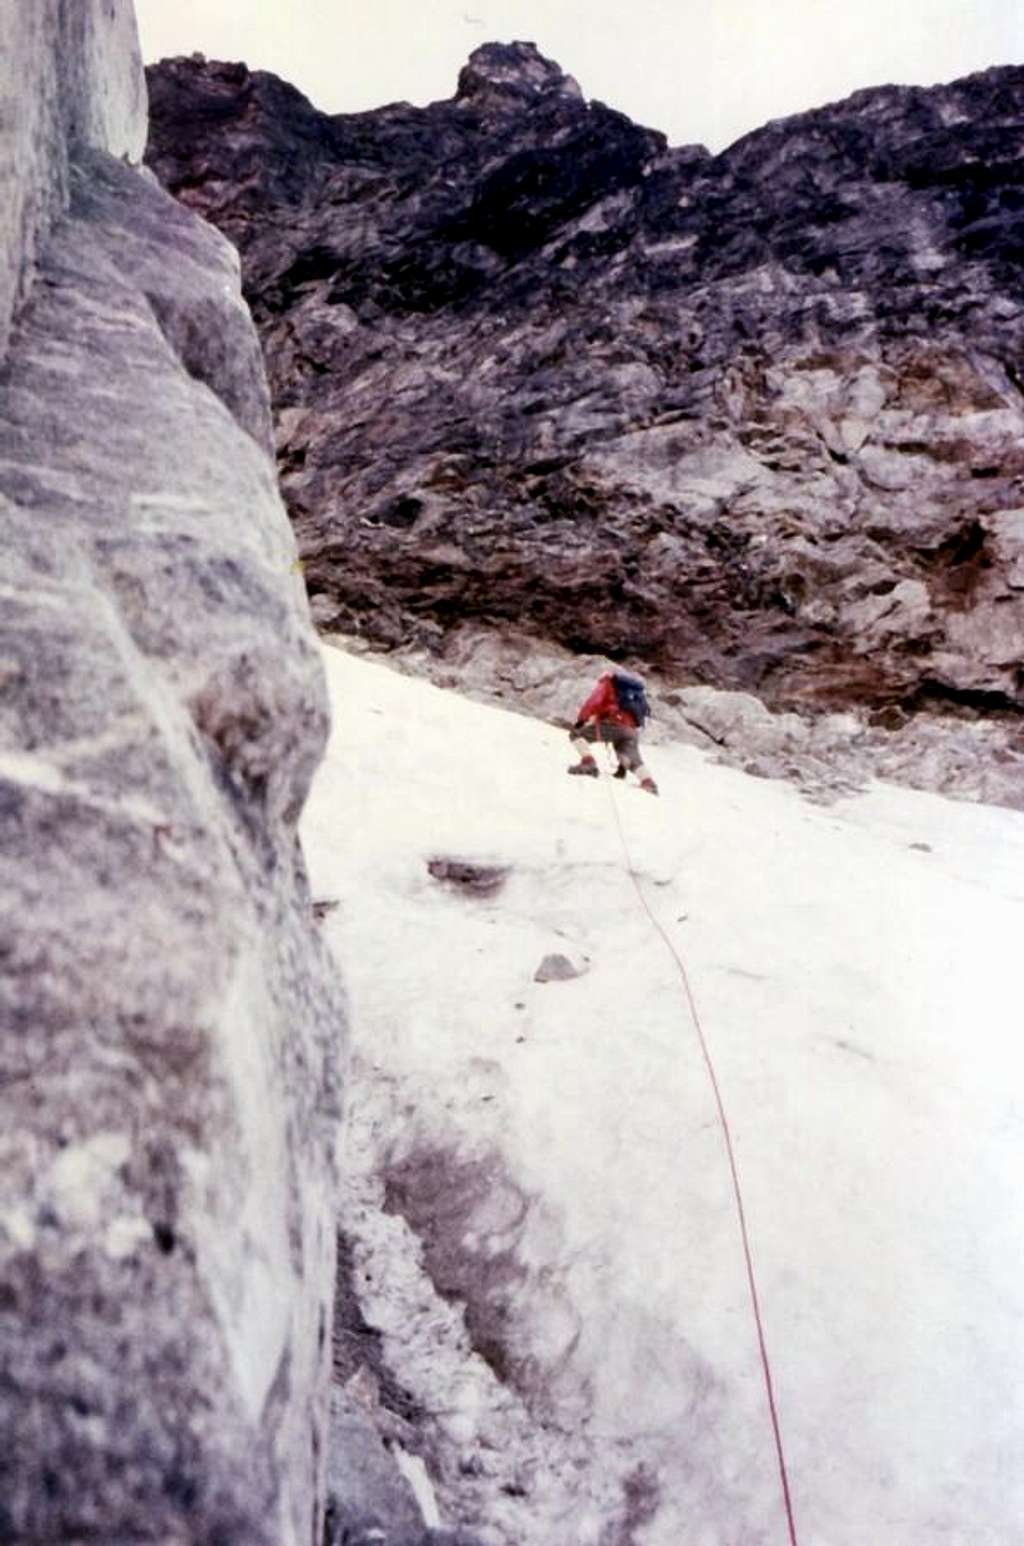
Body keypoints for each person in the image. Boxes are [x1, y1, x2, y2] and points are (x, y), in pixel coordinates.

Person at [567, 671, 659, 795]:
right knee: (632, 757)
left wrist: (582, 719)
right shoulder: (636, 693)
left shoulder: (607, 683)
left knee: (576, 734)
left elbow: (594, 701)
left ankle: (588, 763)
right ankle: (648, 782)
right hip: (631, 730)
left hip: (614, 722)